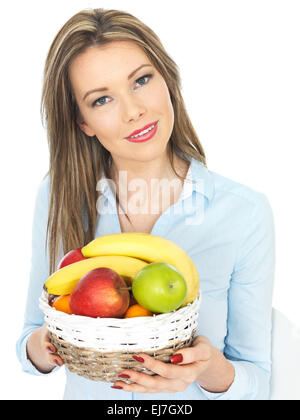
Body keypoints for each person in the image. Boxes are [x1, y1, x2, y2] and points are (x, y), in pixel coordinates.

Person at [16, 8, 275, 400]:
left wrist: (211, 370)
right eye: (102, 99)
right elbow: (28, 342)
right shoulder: (59, 195)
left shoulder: (244, 213)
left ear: (167, 78)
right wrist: (44, 347)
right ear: (83, 122)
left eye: (140, 80)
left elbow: (259, 380)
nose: (133, 111)